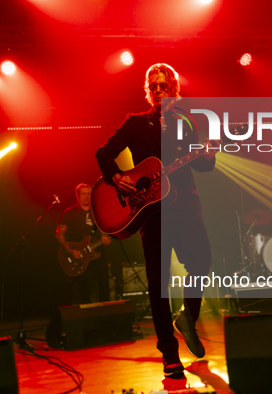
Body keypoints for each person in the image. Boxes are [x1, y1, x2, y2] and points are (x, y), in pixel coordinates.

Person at [96, 63, 217, 378]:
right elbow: (103, 153)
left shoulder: (187, 122)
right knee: (158, 283)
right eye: (154, 87)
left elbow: (203, 167)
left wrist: (208, 154)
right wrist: (118, 177)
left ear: (174, 89)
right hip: (151, 210)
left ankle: (186, 317)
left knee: (202, 262)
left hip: (187, 204)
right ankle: (169, 354)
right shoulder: (135, 123)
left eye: (165, 86)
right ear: (148, 91)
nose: (159, 91)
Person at [55, 183, 112, 304]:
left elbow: (104, 230)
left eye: (89, 193)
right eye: (84, 194)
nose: (87, 196)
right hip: (79, 256)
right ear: (77, 195)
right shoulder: (70, 212)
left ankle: (105, 317)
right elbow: (59, 234)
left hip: (97, 254)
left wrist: (106, 238)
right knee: (84, 289)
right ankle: (87, 319)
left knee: (104, 286)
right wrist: (69, 251)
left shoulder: (98, 211)